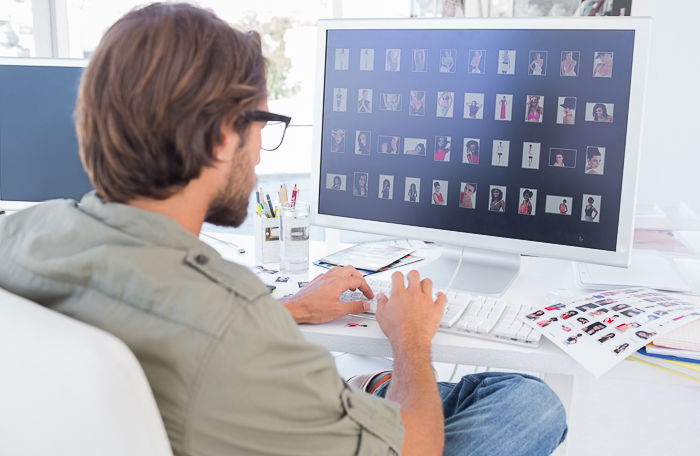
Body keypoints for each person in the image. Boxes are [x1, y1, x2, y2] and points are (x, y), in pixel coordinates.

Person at [0, 4, 567, 456]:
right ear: (223, 136)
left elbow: (160, 320)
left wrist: (288, 310)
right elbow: (416, 449)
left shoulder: (23, 235)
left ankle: (364, 395)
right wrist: (409, 342)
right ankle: (374, 394)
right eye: (262, 125)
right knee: (528, 402)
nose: (259, 156)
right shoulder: (234, 325)